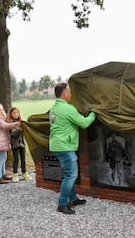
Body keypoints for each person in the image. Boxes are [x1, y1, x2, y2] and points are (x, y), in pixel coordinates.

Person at [49, 82, 96, 214]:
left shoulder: (54, 108)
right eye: (69, 92)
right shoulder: (67, 109)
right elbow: (84, 123)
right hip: (65, 146)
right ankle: (62, 204)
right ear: (64, 94)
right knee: (71, 175)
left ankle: (73, 198)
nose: (71, 94)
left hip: (57, 145)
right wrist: (94, 113)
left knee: (69, 174)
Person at [0, 103, 20, 184]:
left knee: (4, 158)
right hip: (0, 141)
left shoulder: (0, 118)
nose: (1, 111)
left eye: (2, 109)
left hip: (3, 141)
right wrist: (16, 123)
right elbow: (5, 126)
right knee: (1, 159)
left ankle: (3, 174)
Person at [7, 106, 31, 183]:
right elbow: (12, 133)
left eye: (17, 112)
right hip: (15, 144)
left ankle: (24, 173)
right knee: (16, 159)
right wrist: (19, 128)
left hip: (22, 143)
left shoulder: (21, 121)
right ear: (11, 114)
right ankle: (15, 174)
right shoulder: (10, 123)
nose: (16, 114)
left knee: (23, 158)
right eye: (14, 113)